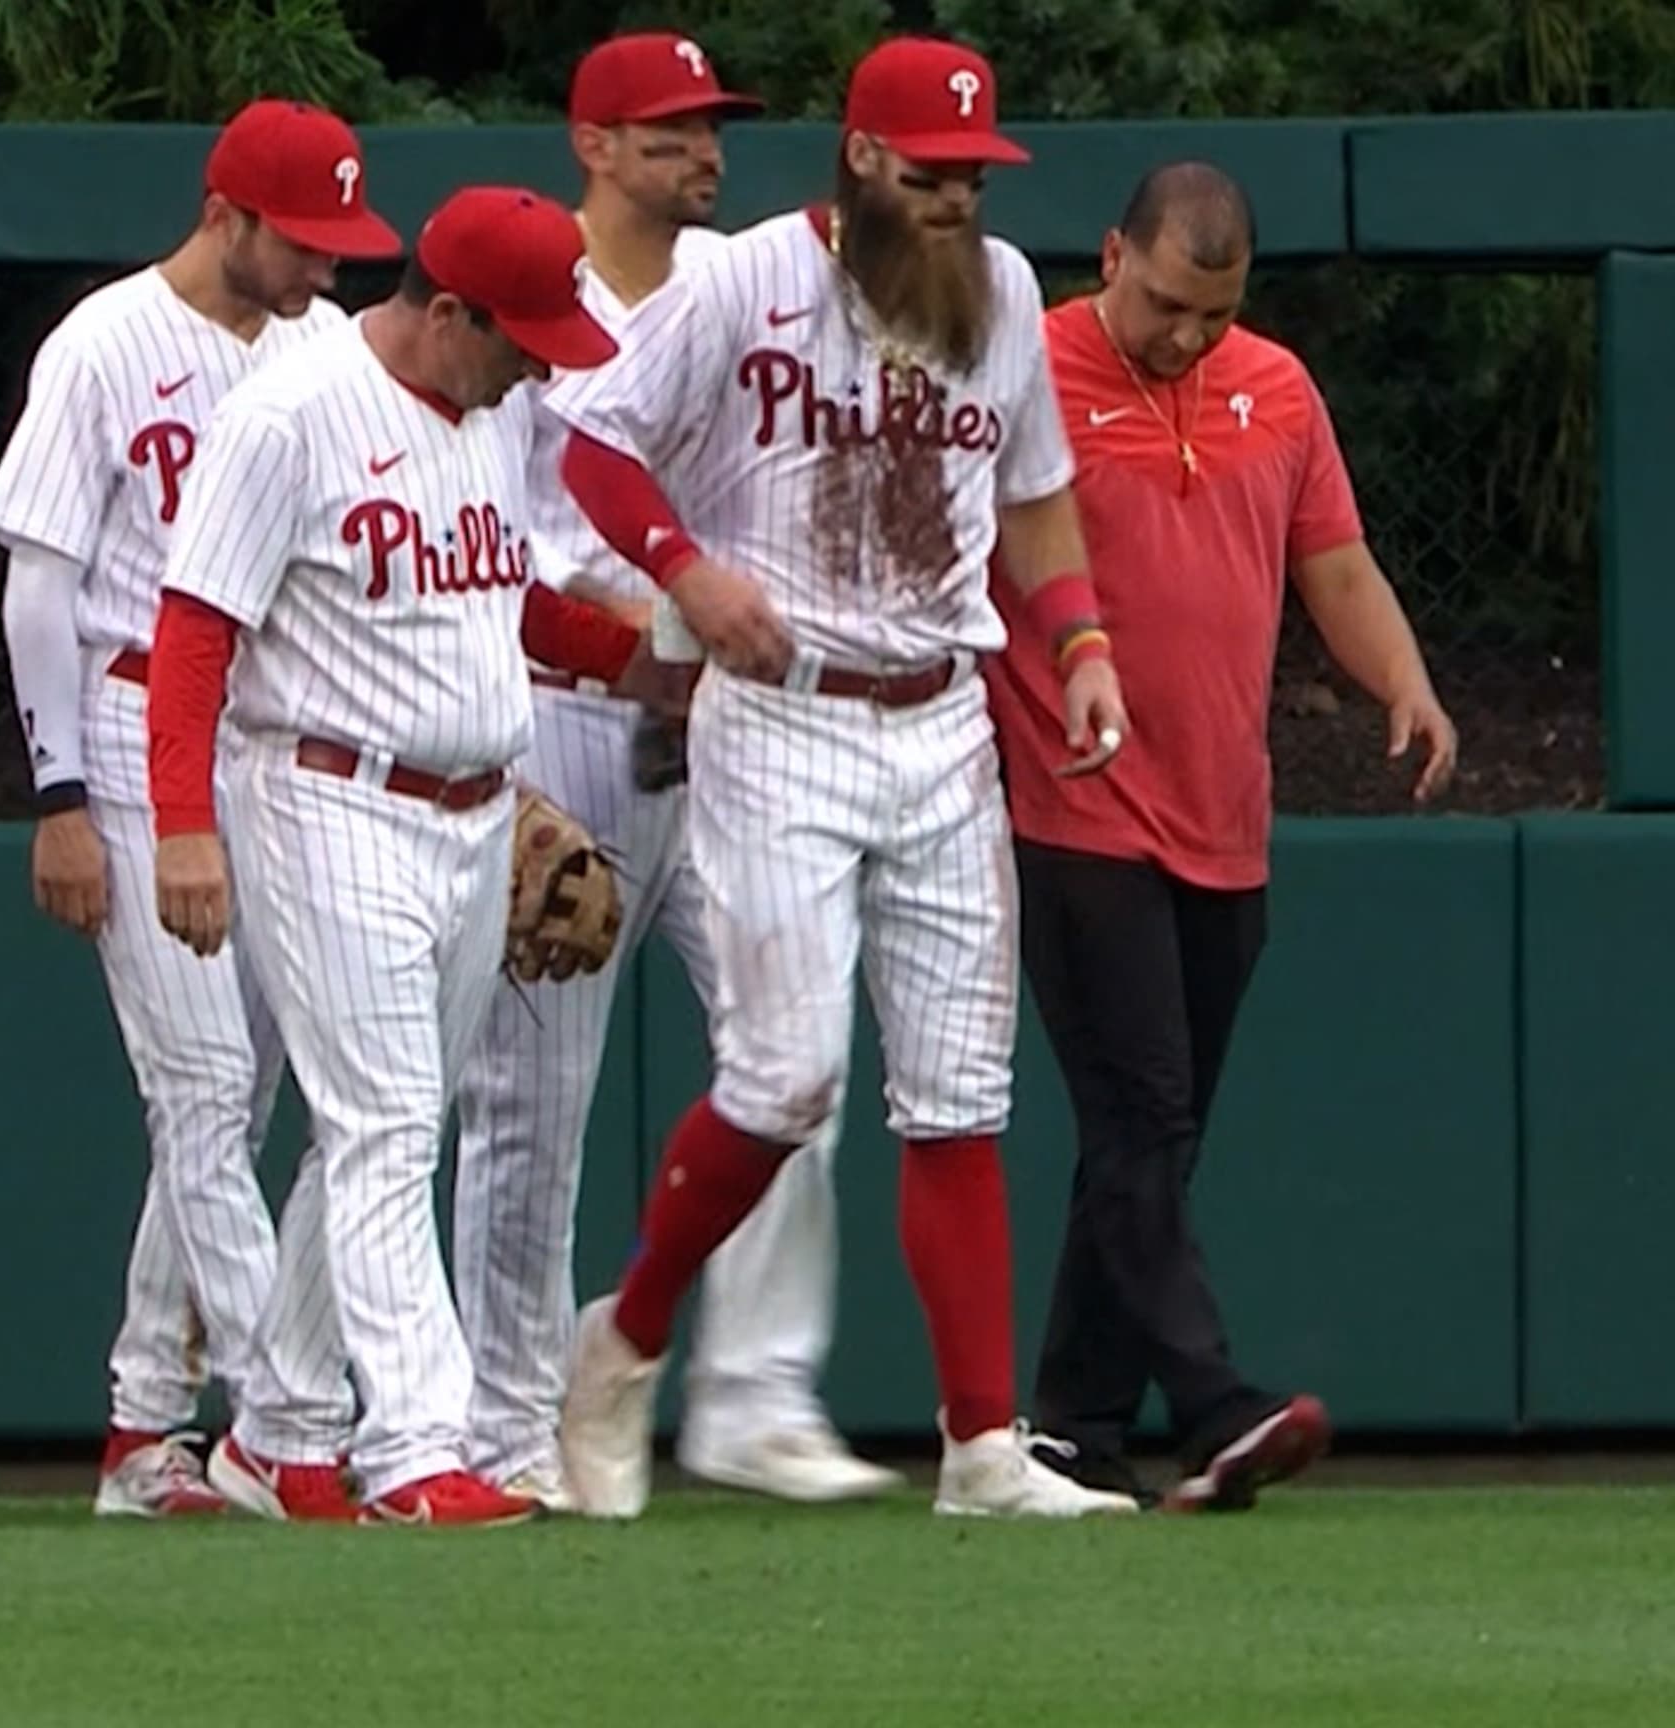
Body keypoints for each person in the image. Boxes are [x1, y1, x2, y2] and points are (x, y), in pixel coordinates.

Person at [544, 35, 1143, 1521]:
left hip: (941, 715)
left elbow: (1037, 497)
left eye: (975, 175)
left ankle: (984, 1451)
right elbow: (595, 452)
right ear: (865, 161)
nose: (958, 199)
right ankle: (619, 1350)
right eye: (934, 174)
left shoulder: (1000, 293)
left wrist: (1079, 646)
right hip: (784, 707)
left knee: (957, 1101)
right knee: (787, 1074)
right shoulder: (743, 279)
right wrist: (683, 567)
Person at [443, 29, 898, 1513]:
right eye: (670, 134)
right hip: (564, 712)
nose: (705, 156)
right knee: (531, 1099)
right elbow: (480, 558)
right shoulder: (525, 295)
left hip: (733, 727)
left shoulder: (735, 294)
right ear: (593, 145)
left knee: (795, 1056)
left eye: (712, 133)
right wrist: (631, 634)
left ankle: (752, 1393)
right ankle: (513, 1417)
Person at [144, 184, 623, 1528]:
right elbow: (192, 634)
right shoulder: (288, 415)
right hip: (325, 798)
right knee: (386, 1122)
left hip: (472, 818)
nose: (541, 361)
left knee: (374, 1133)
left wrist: (635, 660)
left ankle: (277, 1435)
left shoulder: (483, 410)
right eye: (521, 335)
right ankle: (417, 1445)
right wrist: (181, 824)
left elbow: (492, 593)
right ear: (449, 309)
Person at [988, 162, 1458, 1510]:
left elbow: (1337, 566)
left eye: (1217, 311)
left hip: (1225, 817)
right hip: (1073, 803)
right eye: (1169, 304)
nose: (1188, 336)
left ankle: (1075, 1428)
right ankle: (1215, 1402)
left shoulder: (1284, 389)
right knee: (1141, 1114)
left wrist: (1405, 681)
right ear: (1110, 255)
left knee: (1152, 1141)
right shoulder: (1030, 372)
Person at [0, 99, 401, 1520]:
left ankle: (144, 1426)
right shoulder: (103, 342)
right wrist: (59, 796)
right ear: (228, 214)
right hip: (125, 710)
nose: (330, 266)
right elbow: (39, 583)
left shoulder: (324, 349)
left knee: (251, 1090)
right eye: (307, 238)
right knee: (206, 1089)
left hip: (275, 732)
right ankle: (284, 1425)